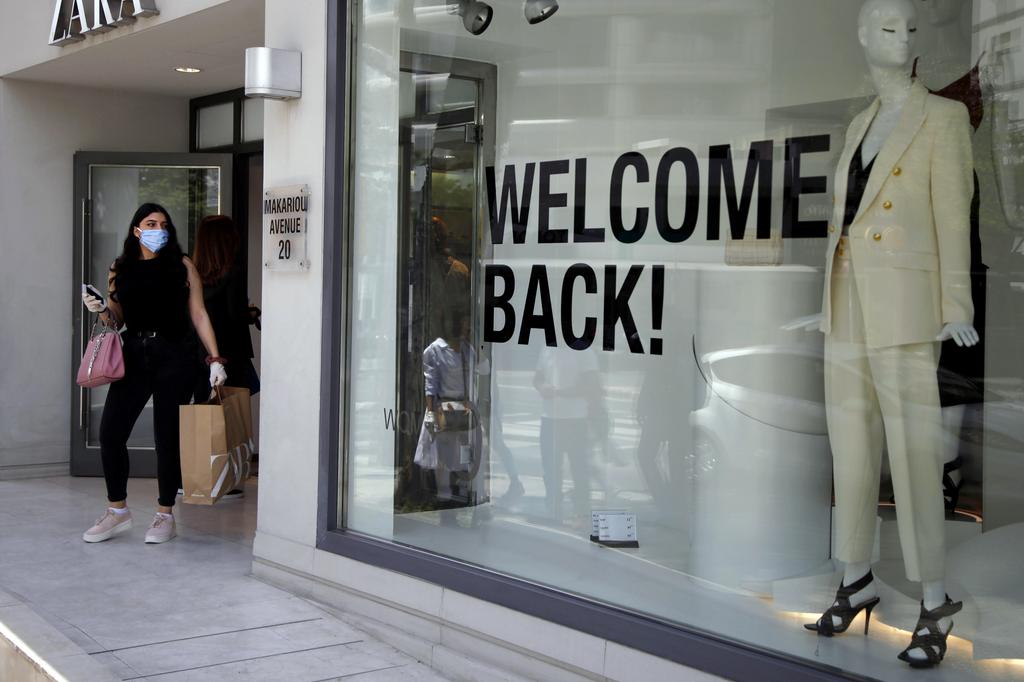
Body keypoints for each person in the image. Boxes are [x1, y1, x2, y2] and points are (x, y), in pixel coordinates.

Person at [81, 203, 227, 545]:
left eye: (163, 223)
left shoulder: (182, 265)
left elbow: (200, 314)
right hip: (133, 354)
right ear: (136, 229)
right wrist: (101, 308)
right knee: (111, 432)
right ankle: (117, 510)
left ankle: (164, 514)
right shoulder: (121, 267)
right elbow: (116, 319)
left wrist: (215, 358)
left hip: (176, 355)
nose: (158, 228)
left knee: (167, 438)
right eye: (150, 223)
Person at [190, 215, 257, 401]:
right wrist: (250, 313)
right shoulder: (232, 274)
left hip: (202, 356)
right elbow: (235, 316)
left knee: (204, 412)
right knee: (233, 419)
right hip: (230, 357)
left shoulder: (194, 277)